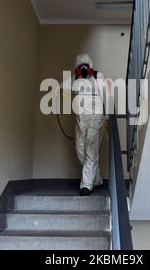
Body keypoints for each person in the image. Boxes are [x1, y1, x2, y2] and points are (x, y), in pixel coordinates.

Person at [63, 54, 106, 196]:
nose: (83, 68)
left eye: (86, 65)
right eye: (80, 65)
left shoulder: (98, 76)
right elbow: (62, 89)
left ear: (90, 65)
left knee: (91, 150)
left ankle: (86, 185)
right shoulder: (75, 78)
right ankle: (97, 179)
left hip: (96, 117)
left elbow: (106, 97)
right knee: (79, 149)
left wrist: (107, 118)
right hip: (80, 120)